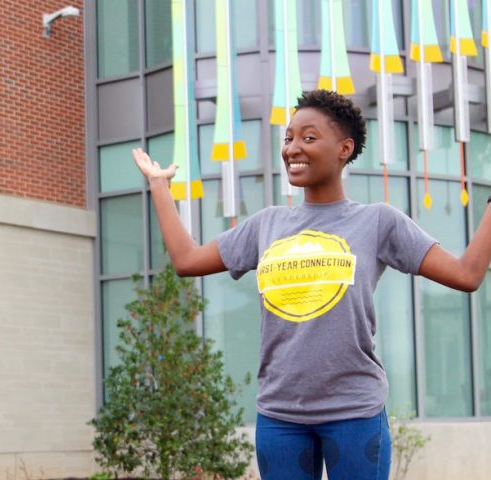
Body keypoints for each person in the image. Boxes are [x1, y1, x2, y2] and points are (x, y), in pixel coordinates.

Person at [132, 89, 491, 480]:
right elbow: (186, 261)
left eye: (308, 137)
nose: (292, 149)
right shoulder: (266, 225)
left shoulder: (378, 222)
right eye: (288, 138)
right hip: (280, 416)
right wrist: (159, 186)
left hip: (355, 413)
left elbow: (466, 274)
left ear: (344, 148)